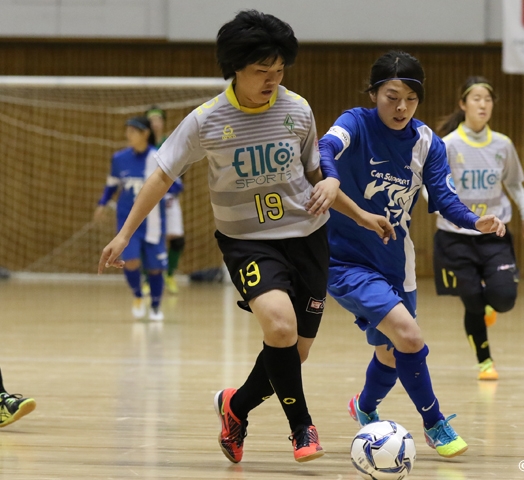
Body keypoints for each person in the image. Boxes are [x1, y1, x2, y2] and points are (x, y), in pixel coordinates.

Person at [98, 10, 393, 464]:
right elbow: (159, 175)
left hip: (308, 238)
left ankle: (235, 406)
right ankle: (302, 428)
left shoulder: (297, 109)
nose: (273, 79)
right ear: (235, 67)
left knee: (295, 350)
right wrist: (124, 234)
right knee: (279, 324)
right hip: (248, 241)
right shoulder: (206, 121)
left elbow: (317, 175)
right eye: (262, 71)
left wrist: (359, 213)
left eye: (279, 70)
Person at [319, 51, 506, 459]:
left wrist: (477, 222)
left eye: (410, 98)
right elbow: (325, 148)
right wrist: (332, 180)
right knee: (409, 335)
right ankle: (434, 423)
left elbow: (445, 199)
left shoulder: (427, 143)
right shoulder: (355, 122)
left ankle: (364, 406)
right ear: (373, 94)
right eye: (391, 96)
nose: (401, 107)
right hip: (345, 260)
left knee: (390, 350)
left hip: (396, 262)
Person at [430, 76, 524, 381]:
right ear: (463, 104)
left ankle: (493, 304)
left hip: (494, 234)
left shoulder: (502, 144)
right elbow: (430, 185)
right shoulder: (448, 145)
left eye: (488, 99)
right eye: (476, 98)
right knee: (472, 302)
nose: (483, 104)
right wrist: (443, 207)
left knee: (503, 298)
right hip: (456, 238)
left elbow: (515, 184)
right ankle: (485, 362)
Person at [95, 116, 167, 322]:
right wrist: (102, 204)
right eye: (127, 131)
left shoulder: (158, 158)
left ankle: (155, 305)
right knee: (131, 260)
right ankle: (137, 296)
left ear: (145, 133)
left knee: (155, 266)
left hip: (153, 221)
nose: (129, 135)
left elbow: (175, 184)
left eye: (133, 131)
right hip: (127, 220)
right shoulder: (119, 159)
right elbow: (111, 185)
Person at [146, 107, 185, 295]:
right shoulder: (144, 146)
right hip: (150, 197)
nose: (155, 123)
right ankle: (148, 278)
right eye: (151, 120)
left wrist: (176, 186)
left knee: (176, 239)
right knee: (149, 238)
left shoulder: (170, 142)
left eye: (158, 119)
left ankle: (169, 276)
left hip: (169, 197)